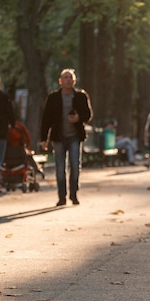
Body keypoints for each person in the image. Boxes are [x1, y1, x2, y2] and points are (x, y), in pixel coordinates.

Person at [40, 69, 93, 206]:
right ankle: (61, 196)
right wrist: (43, 138)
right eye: (65, 77)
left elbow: (88, 115)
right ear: (60, 81)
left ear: (74, 81)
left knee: (75, 165)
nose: (68, 80)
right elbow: (46, 119)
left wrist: (78, 118)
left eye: (70, 77)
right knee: (60, 168)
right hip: (58, 137)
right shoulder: (53, 98)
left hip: (75, 136)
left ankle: (73, 194)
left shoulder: (80, 96)